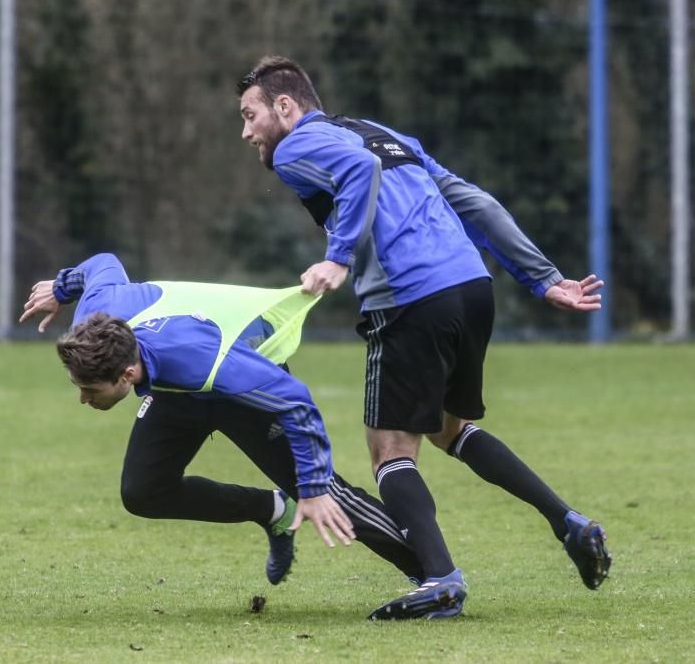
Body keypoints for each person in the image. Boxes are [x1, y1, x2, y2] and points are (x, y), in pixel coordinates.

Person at [236, 55, 612, 619]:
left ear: (285, 107)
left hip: (410, 298)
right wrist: (543, 279)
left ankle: (440, 581)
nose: (246, 133)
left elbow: (359, 174)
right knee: (448, 429)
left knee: (389, 449)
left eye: (250, 115)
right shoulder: (382, 134)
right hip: (469, 288)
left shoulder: (296, 147)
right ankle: (570, 524)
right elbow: (473, 201)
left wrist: (337, 259)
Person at [20, 253, 450, 619]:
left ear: (126, 375)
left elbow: (295, 402)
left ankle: (435, 578)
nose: (81, 399)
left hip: (233, 378)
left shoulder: (202, 360)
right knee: (143, 493)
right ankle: (270, 509)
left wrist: (313, 488)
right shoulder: (94, 314)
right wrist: (62, 287)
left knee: (322, 492)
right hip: (174, 389)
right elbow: (104, 263)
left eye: (89, 390)